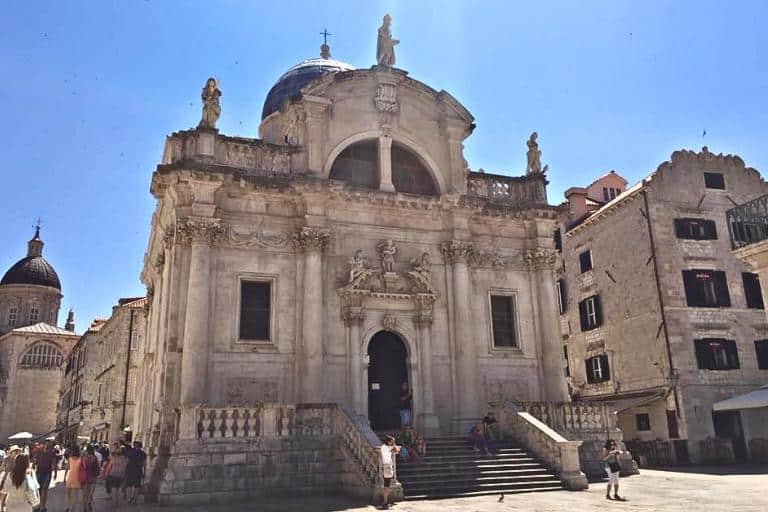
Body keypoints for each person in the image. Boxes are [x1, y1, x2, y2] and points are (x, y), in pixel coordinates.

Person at [31, 442, 57, 512]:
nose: (48, 446)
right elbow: (34, 461)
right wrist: (55, 473)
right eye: (47, 444)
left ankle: (41, 506)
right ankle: (41, 506)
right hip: (41, 473)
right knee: (41, 490)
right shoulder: (41, 452)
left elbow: (54, 463)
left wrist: (55, 473)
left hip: (46, 473)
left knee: (43, 490)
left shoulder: (51, 453)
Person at [102, 443, 128, 510]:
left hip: (113, 474)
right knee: (117, 489)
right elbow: (125, 467)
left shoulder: (113, 458)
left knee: (114, 489)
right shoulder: (125, 459)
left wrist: (106, 474)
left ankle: (114, 503)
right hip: (120, 475)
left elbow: (109, 467)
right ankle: (117, 502)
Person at [377, 436, 400, 510]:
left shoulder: (383, 447)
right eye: (392, 441)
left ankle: (385, 501)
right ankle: (385, 502)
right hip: (388, 467)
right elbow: (396, 451)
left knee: (386, 486)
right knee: (387, 486)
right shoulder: (388, 448)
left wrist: (392, 443)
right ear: (389, 441)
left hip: (385, 467)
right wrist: (394, 444)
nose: (392, 443)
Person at [79, 446, 99, 512]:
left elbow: (81, 467)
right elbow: (97, 467)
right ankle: (88, 503)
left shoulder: (84, 458)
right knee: (89, 493)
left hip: (84, 477)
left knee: (84, 494)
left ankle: (84, 508)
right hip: (92, 478)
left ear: (87, 450)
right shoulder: (94, 458)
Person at [63, 445, 82, 512]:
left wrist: (64, 477)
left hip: (70, 478)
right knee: (75, 495)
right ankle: (72, 509)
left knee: (68, 494)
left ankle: (68, 506)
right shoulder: (81, 459)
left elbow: (67, 468)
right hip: (77, 478)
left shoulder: (70, 459)